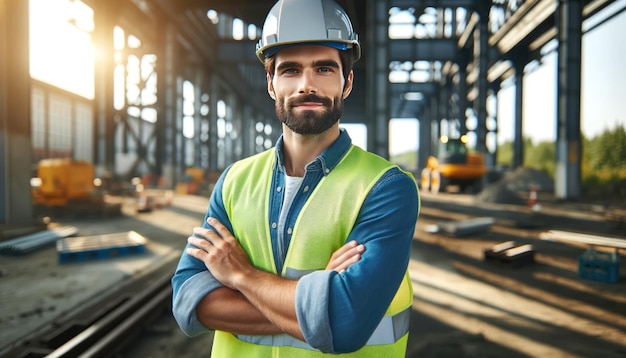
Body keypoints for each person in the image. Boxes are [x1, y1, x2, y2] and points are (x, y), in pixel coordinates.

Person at [171, 0, 420, 356]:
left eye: (323, 69)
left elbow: (344, 324)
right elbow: (188, 301)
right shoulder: (234, 181)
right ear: (271, 83)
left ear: (346, 82)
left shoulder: (386, 188)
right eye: (290, 70)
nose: (306, 84)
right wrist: (318, 298)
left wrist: (242, 277)